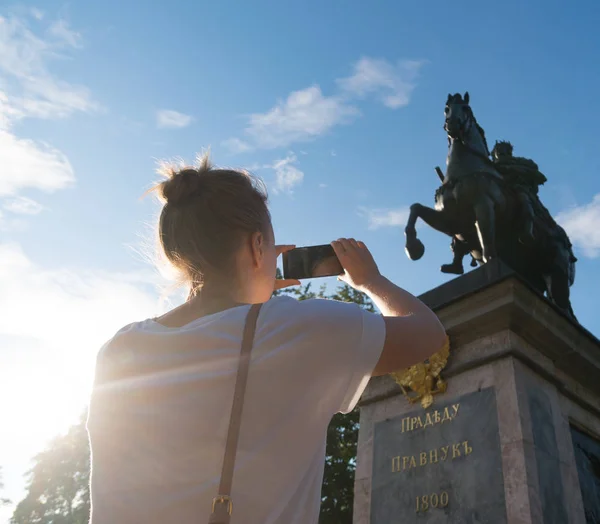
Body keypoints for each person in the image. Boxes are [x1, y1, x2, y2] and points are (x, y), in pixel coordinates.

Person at [86, 153, 447, 524]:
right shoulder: (297, 329)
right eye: (270, 247)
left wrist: (248, 292)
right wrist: (371, 281)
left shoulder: (119, 350)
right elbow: (427, 333)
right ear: (258, 247)